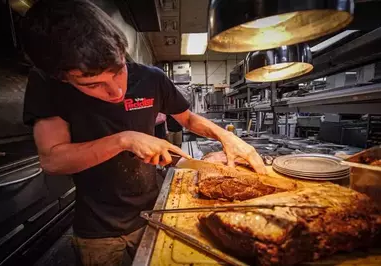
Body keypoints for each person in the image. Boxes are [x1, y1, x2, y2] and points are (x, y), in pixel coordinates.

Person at [19, 0, 267, 265]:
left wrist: (225, 136)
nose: (116, 91)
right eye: (93, 84)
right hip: (98, 230)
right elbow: (53, 160)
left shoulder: (152, 77)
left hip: (156, 209)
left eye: (118, 71)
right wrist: (124, 139)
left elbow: (188, 119)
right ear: (62, 77)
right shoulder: (47, 85)